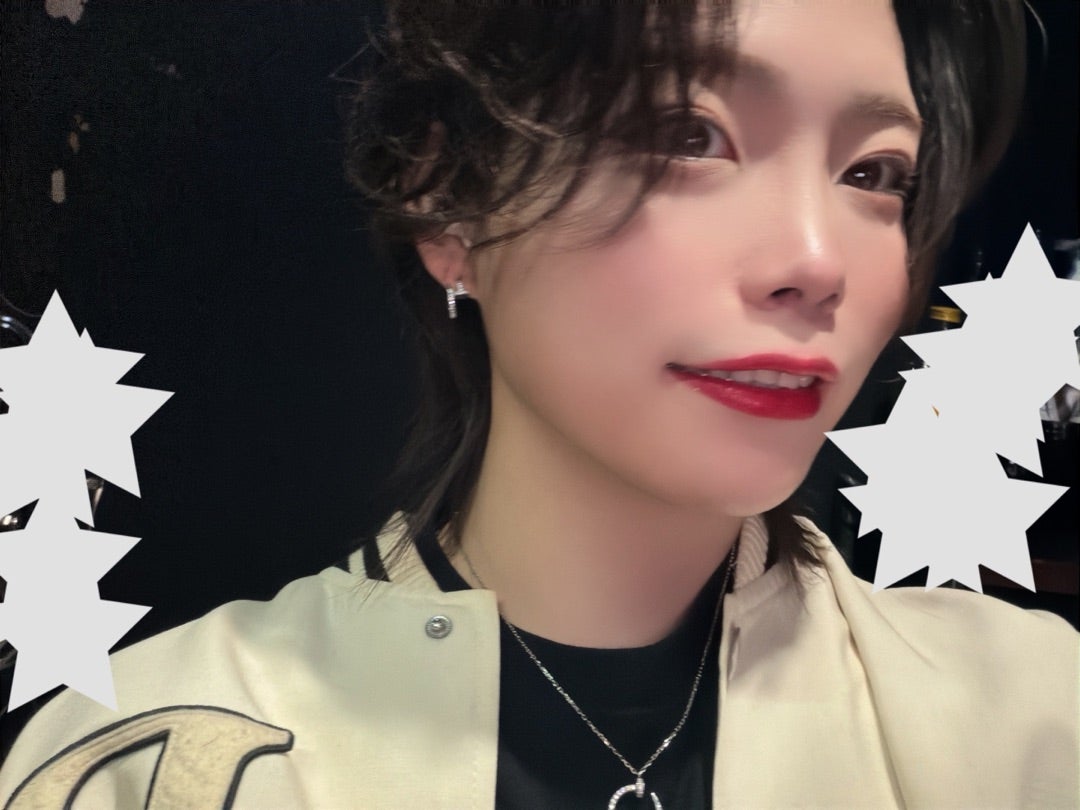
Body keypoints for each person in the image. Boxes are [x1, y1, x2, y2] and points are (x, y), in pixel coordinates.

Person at [1, 1, 1076, 808]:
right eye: (687, 132)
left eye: (876, 174)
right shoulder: (153, 757)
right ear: (450, 203)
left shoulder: (1031, 721)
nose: (815, 261)